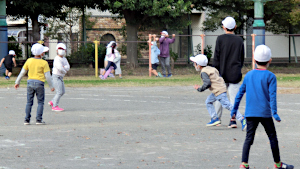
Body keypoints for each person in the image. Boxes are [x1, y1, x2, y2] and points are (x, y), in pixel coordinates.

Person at [231, 45, 294, 169]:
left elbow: (239, 94)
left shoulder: (248, 75)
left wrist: (234, 110)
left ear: (254, 60)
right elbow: (272, 96)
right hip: (265, 113)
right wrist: (274, 113)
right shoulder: (271, 76)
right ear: (270, 60)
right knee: (272, 137)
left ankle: (244, 164)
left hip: (250, 113)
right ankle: (277, 164)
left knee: (249, 138)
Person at [191, 54, 246, 129]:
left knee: (228, 106)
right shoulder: (211, 68)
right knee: (208, 101)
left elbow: (207, 83)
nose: (194, 65)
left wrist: (199, 89)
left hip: (219, 91)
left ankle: (242, 119)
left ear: (199, 65)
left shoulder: (204, 72)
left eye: (195, 63)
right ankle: (215, 118)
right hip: (218, 90)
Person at [213, 16, 245, 128]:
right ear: (235, 27)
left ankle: (216, 118)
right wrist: (238, 68)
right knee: (233, 98)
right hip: (235, 73)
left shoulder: (220, 39)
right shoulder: (239, 40)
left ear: (224, 27)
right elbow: (241, 58)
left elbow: (216, 57)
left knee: (219, 96)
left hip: (221, 72)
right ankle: (233, 120)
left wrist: (215, 71)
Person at [14, 43, 54, 125]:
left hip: (30, 83)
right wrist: (51, 86)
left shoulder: (29, 61)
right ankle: (38, 120)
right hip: (40, 83)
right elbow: (48, 76)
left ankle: (26, 120)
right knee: (40, 102)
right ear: (41, 53)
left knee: (29, 102)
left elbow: (22, 72)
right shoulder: (44, 63)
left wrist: (17, 82)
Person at [48, 43, 70, 112]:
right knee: (59, 92)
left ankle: (52, 101)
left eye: (63, 49)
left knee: (62, 91)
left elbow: (68, 67)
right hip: (56, 77)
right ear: (57, 50)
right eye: (60, 49)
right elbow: (60, 68)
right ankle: (54, 106)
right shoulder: (57, 59)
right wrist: (64, 70)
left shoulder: (64, 59)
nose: (61, 50)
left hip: (60, 77)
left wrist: (65, 68)